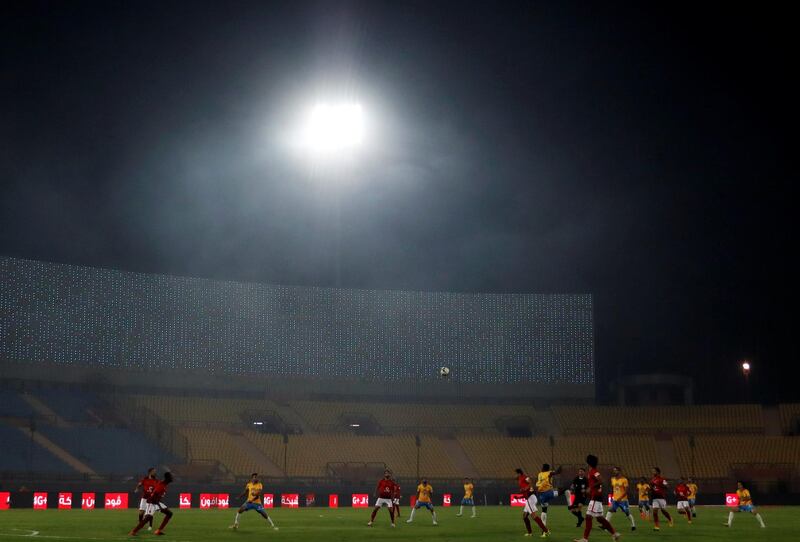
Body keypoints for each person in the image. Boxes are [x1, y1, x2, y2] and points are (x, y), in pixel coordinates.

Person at [572, 455, 620, 542]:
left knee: (588, 516)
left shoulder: (593, 471)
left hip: (596, 497)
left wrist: (590, 488)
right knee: (599, 518)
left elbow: (601, 480)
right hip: (596, 497)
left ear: (589, 463)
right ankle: (614, 534)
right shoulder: (592, 471)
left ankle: (585, 539)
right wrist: (590, 490)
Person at [129, 471, 173, 536]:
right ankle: (133, 532)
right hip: (152, 502)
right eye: (171, 477)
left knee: (169, 513)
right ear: (168, 478)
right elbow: (154, 495)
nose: (172, 478)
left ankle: (158, 531)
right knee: (147, 518)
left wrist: (158, 504)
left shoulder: (164, 483)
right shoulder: (161, 485)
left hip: (157, 502)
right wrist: (158, 505)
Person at [515, 468, 550, 538]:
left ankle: (546, 531)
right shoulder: (520, 480)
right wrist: (519, 497)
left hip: (531, 498)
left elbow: (530, 482)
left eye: (516, 474)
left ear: (519, 473)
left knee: (534, 516)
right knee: (524, 516)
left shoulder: (524, 477)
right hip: (529, 499)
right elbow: (525, 493)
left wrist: (525, 488)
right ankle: (530, 533)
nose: (515, 475)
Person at [605, 467, 636, 531]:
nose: (614, 472)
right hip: (615, 500)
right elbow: (613, 488)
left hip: (623, 500)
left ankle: (633, 525)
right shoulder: (612, 479)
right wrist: (613, 496)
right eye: (614, 470)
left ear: (619, 471)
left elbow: (627, 491)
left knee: (627, 513)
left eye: (616, 470)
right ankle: (605, 526)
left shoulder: (624, 480)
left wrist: (620, 497)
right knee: (610, 510)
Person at [133, 467, 158, 531]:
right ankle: (140, 524)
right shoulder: (145, 479)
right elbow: (139, 484)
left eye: (155, 471)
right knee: (141, 512)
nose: (155, 472)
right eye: (154, 471)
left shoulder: (156, 480)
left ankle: (150, 526)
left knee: (149, 513)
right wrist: (137, 488)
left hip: (151, 499)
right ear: (150, 472)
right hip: (144, 498)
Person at [649, 467, 673, 531]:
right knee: (654, 512)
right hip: (655, 498)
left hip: (661, 497)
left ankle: (670, 518)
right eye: (652, 471)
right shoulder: (652, 480)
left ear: (658, 472)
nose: (653, 472)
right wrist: (650, 488)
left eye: (654, 471)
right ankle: (657, 526)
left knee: (663, 511)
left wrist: (661, 485)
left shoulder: (662, 479)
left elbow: (667, 486)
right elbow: (651, 488)